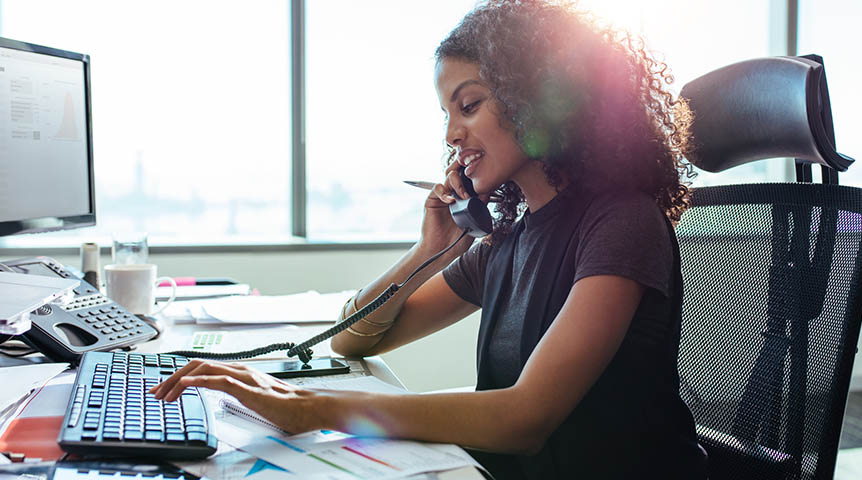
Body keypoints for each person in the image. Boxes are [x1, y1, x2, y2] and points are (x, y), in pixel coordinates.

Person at [151, 1, 708, 478]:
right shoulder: (505, 240)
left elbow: (525, 419)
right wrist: (428, 253)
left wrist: (309, 407)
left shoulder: (622, 223)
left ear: (536, 99)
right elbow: (355, 341)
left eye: (469, 106)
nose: (450, 135)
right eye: (447, 113)